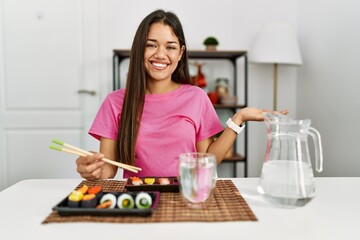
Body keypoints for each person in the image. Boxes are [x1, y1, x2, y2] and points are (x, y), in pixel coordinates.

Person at [76, 9, 287, 180]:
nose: (160, 54)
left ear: (180, 53)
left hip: (186, 196)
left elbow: (208, 159)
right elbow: (108, 170)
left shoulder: (196, 97)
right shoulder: (115, 102)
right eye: (151, 45)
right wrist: (91, 171)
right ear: (139, 49)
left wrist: (238, 118)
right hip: (139, 200)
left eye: (170, 47)